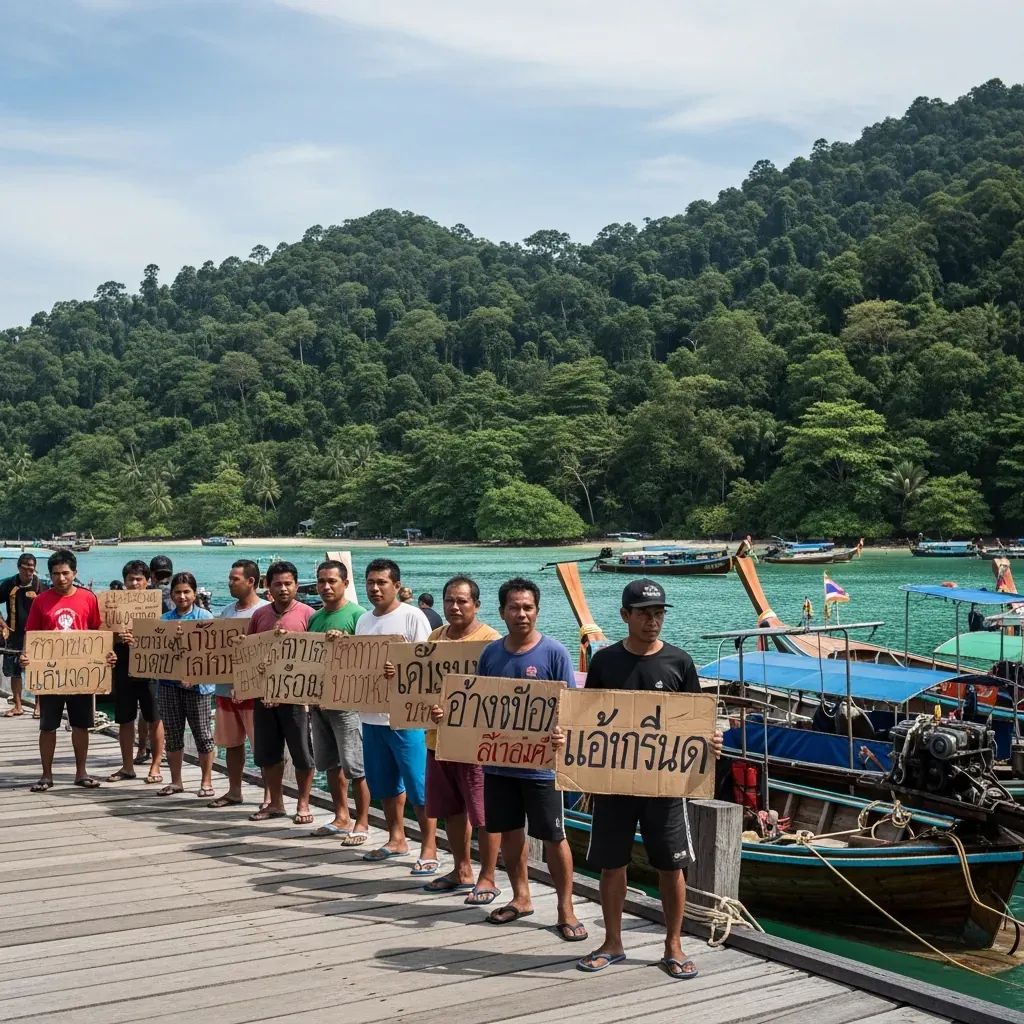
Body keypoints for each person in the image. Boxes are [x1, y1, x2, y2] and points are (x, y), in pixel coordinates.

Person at [560, 578, 722, 980]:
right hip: (613, 786)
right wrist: (567, 738)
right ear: (625, 616)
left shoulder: (680, 663)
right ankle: (612, 942)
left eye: (659, 613)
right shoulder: (605, 662)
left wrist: (711, 741)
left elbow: (693, 725)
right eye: (644, 613)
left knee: (672, 865)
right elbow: (586, 720)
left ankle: (673, 944)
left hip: (664, 788)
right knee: (612, 864)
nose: (653, 621)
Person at [477, 577, 586, 942]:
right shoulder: (490, 654)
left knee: (554, 836)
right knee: (509, 831)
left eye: (528, 607)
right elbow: (478, 707)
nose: (521, 614)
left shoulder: (555, 653)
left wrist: (561, 734)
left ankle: (565, 908)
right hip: (498, 764)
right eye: (514, 607)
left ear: (537, 611)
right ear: (502, 611)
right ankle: (521, 897)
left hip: (540, 768)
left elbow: (570, 709)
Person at [357, 557, 438, 872]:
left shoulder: (412, 616)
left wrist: (400, 671)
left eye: (382, 582)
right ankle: (396, 837)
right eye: (370, 582)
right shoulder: (363, 621)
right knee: (384, 784)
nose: (375, 588)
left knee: (418, 785)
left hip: (406, 718)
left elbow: (427, 665)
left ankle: (429, 846)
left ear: (396, 585)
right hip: (370, 715)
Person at [425, 575, 502, 903]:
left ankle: (487, 875)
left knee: (483, 813)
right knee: (451, 809)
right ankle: (461, 868)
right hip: (437, 739)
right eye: (449, 601)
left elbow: (500, 696)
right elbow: (420, 684)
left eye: (462, 601)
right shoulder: (434, 637)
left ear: (476, 605)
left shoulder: (491, 642)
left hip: (476, 744)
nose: (455, 607)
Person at [22, 549, 115, 792]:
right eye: (55, 574)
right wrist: (26, 656)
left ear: (75, 572)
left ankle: (81, 772)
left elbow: (97, 631)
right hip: (51, 673)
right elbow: (31, 635)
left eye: (65, 573)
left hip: (81, 673)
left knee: (81, 724)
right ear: (49, 575)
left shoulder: (88, 598)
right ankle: (46, 774)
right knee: (47, 725)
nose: (61, 579)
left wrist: (107, 654)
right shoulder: (41, 601)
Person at [247, 560, 316, 825]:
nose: (284, 589)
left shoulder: (309, 615)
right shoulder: (259, 616)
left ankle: (303, 801)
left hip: (296, 698)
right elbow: (249, 654)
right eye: (278, 584)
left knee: (302, 752)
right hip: (263, 696)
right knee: (268, 753)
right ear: (268, 587)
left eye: (288, 584)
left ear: (297, 586)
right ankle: (276, 802)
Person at [308, 559, 371, 843]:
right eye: (321, 581)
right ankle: (341, 815)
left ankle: (363, 822)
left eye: (332, 581)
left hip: (347, 704)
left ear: (345, 583)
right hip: (318, 703)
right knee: (329, 764)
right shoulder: (314, 618)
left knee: (355, 766)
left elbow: (368, 658)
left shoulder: (359, 616)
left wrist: (345, 641)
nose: (325, 587)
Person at [208, 559, 269, 809]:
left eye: (235, 579)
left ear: (251, 582)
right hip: (225, 689)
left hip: (254, 692)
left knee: (263, 747)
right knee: (232, 744)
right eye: (230, 578)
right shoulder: (226, 612)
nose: (230, 583)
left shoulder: (265, 611)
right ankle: (234, 791)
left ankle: (269, 796)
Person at [155, 572, 216, 798]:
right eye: (178, 592)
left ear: (194, 593)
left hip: (198, 688)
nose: (182, 596)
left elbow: (213, 655)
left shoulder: (205, 617)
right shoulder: (164, 620)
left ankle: (207, 781)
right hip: (169, 685)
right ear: (171, 594)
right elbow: (156, 653)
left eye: (186, 592)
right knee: (173, 733)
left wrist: (196, 677)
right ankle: (176, 781)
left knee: (203, 733)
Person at [106, 560, 165, 784]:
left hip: (150, 668)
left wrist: (140, 639)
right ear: (124, 581)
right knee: (125, 718)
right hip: (122, 667)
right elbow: (103, 635)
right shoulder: (113, 605)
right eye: (130, 579)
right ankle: (127, 766)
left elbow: (165, 635)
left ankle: (156, 765)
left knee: (155, 718)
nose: (134, 583)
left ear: (148, 581)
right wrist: (116, 639)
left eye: (139, 579)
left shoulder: (157, 604)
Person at [134, 553, 174, 765]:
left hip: (151, 656)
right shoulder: (175, 594)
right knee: (157, 708)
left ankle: (143, 748)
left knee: (147, 708)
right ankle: (156, 748)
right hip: (161, 657)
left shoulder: (145, 594)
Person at [1, 553, 45, 718]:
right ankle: (18, 705)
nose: (28, 572)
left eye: (31, 569)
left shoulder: (40, 585)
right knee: (14, 671)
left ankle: (38, 706)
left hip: (35, 634)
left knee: (37, 670)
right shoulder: (9, 584)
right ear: (18, 567)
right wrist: (2, 624)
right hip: (13, 634)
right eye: (25, 569)